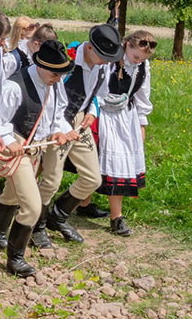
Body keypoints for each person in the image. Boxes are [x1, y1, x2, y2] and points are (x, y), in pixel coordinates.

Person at [0, 39, 78, 277]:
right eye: (55, 73)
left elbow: (57, 113)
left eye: (61, 74)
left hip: (35, 148)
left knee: (12, 194)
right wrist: (10, 141)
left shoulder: (54, 84)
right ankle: (16, 258)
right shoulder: (15, 86)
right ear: (41, 66)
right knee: (33, 206)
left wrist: (59, 130)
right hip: (17, 148)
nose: (59, 78)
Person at [39, 24, 122, 246]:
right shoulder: (66, 62)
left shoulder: (103, 68)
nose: (107, 61)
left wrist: (93, 113)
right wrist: (58, 127)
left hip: (80, 122)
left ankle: (57, 216)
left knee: (93, 178)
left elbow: (101, 95)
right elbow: (47, 94)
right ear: (89, 49)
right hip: (58, 122)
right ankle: (36, 225)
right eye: (104, 56)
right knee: (51, 180)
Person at [97, 30, 155, 237]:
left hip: (127, 118)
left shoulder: (143, 67)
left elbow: (142, 96)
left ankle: (116, 217)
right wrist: (106, 101)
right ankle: (84, 204)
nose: (139, 61)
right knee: (102, 163)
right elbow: (98, 88)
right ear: (127, 46)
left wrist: (141, 124)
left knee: (119, 164)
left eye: (143, 59)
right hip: (106, 116)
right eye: (136, 57)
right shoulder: (110, 62)